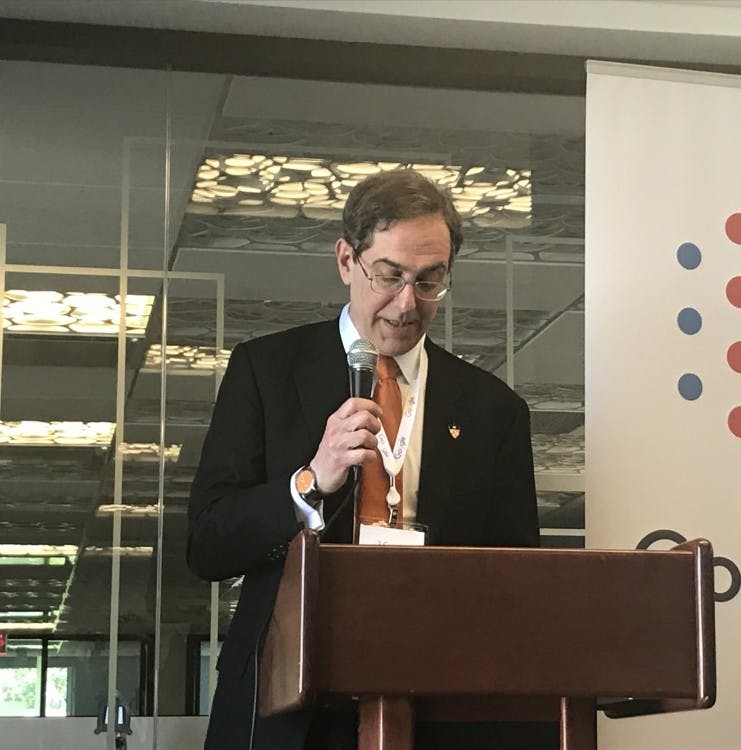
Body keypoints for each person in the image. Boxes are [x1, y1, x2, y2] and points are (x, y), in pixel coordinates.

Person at [187, 169, 550, 749]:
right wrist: (308, 482)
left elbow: (515, 583)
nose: (408, 305)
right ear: (345, 261)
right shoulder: (266, 371)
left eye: (431, 281)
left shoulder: (493, 410)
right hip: (289, 697)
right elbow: (207, 542)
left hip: (438, 701)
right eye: (390, 276)